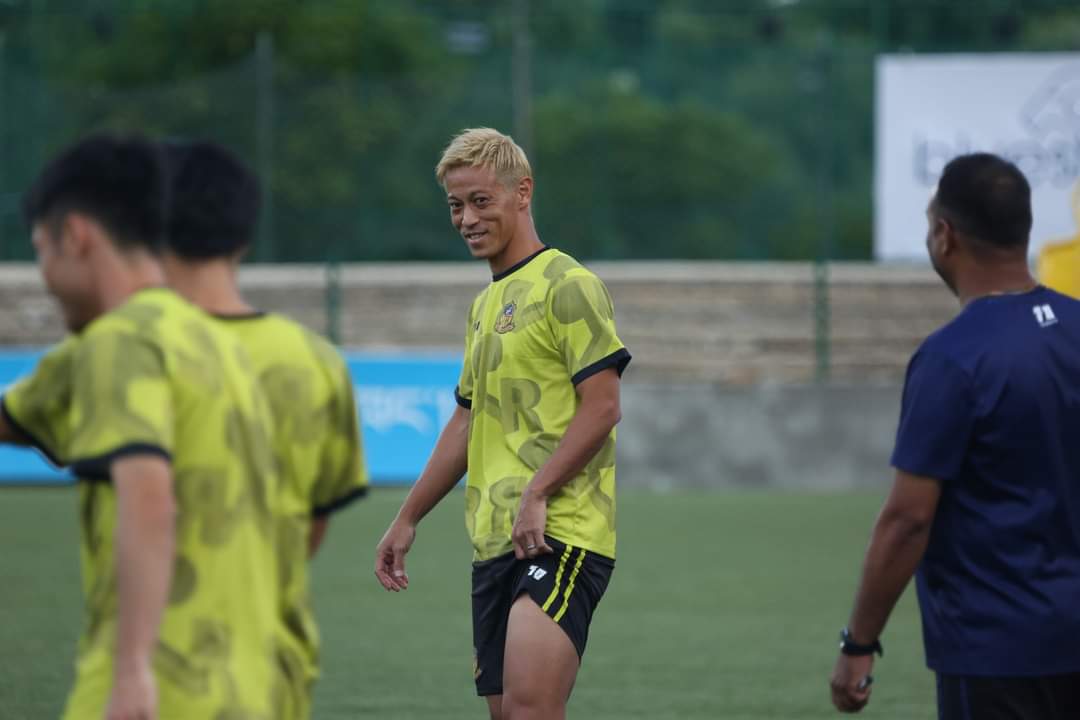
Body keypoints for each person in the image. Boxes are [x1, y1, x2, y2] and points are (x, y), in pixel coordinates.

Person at [0, 134, 282, 719]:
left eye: (41, 250)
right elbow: (22, 415)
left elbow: (149, 497)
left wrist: (131, 672)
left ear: (75, 235)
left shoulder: (119, 343)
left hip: (152, 685)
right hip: (245, 685)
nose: (44, 274)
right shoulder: (218, 344)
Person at [374, 127, 631, 720]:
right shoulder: (485, 304)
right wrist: (407, 517)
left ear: (523, 193)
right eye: (456, 206)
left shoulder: (570, 285)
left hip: (560, 532)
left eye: (480, 201)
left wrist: (539, 491)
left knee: (530, 708)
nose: (466, 218)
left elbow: (603, 406)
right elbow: (466, 421)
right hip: (492, 540)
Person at [830, 153, 1080, 717]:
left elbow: (908, 518)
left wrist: (859, 644)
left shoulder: (954, 357)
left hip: (998, 649)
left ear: (945, 236)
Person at [161, 139, 369, 718]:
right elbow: (312, 524)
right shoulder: (319, 362)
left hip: (152, 672)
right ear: (245, 236)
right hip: (273, 668)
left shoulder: (122, 349)